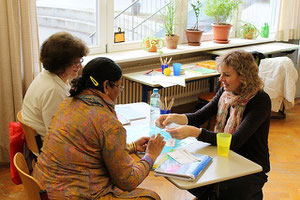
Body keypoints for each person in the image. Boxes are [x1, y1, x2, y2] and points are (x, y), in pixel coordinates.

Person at [32, 57, 166, 200]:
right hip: (73, 195)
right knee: (151, 197)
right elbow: (128, 181)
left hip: (43, 188)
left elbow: (89, 149)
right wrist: (151, 155)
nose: (119, 92)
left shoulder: (68, 103)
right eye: (119, 87)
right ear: (106, 86)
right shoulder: (107, 123)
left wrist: (132, 146)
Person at [156, 50, 271, 200]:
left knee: (215, 189)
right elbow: (200, 115)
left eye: (227, 75)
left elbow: (234, 140)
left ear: (243, 77)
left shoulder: (260, 100)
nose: (221, 79)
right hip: (225, 156)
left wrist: (196, 132)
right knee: (193, 180)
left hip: (251, 165)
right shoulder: (226, 91)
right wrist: (176, 117)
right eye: (221, 73)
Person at [21, 32, 89, 149]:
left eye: (80, 61)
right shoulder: (53, 90)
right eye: (76, 63)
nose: (80, 67)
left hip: (46, 142)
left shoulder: (48, 77)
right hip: (51, 151)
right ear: (61, 64)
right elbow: (57, 135)